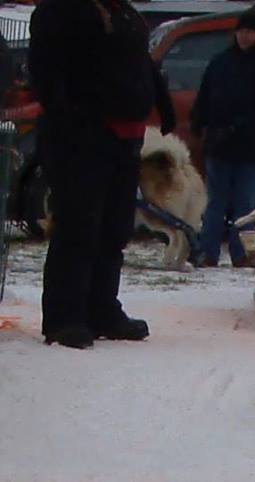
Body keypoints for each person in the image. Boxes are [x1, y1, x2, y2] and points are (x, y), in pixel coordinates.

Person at [29, 0, 176, 349]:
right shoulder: (60, 11)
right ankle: (65, 317)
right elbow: (46, 73)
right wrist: (71, 116)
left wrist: (161, 102)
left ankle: (102, 309)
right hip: (80, 136)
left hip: (126, 135)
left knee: (114, 227)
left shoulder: (125, 13)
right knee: (78, 225)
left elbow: (142, 63)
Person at [192, 10, 255, 268]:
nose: (244, 36)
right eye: (241, 31)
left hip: (252, 149)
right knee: (214, 203)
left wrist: (237, 127)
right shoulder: (220, 62)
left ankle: (241, 253)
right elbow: (205, 96)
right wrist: (199, 123)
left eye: (250, 31)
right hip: (219, 147)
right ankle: (207, 252)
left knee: (244, 204)